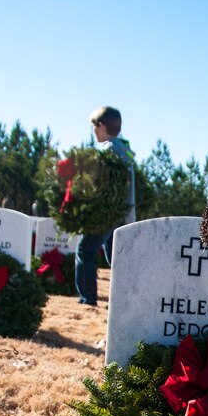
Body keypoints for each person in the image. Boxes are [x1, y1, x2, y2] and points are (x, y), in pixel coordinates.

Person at [75, 106, 135, 305]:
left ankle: (87, 299)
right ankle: (125, 300)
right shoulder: (125, 150)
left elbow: (101, 185)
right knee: (116, 259)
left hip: (107, 213)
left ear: (100, 126)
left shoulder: (108, 151)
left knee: (85, 251)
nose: (93, 132)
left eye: (93, 127)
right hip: (122, 213)